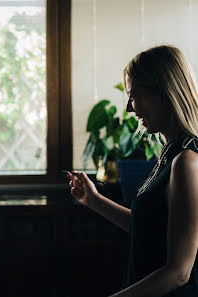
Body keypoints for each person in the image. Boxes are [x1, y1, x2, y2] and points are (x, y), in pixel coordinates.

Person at [68, 45, 198, 296]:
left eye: (134, 95)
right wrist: (94, 201)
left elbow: (179, 273)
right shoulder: (170, 154)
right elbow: (151, 230)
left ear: (165, 94)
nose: (129, 108)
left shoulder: (187, 161)